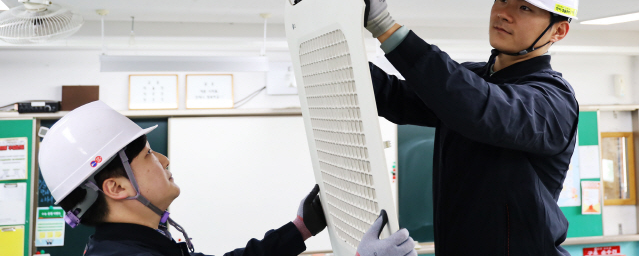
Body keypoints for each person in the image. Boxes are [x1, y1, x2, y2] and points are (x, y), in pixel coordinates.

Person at [350, 0, 580, 256]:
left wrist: (385, 26)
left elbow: (479, 107)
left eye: (525, 8)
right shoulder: (474, 77)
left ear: (558, 31)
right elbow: (396, 98)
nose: (504, 12)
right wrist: (338, 46)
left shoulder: (554, 101)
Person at [39, 101, 416, 256]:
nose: (165, 159)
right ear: (117, 188)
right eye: (149, 155)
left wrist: (299, 229)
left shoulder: (134, 245)